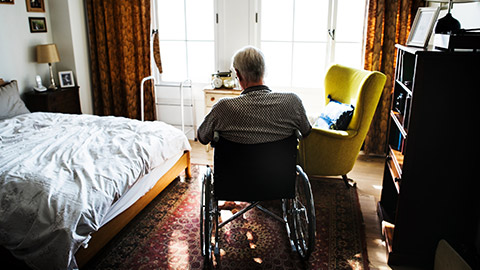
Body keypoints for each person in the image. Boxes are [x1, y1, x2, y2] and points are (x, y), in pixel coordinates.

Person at [197, 46, 311, 145]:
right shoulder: (292, 102)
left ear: (238, 74)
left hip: (236, 170)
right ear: (264, 71)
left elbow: (202, 137)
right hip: (279, 170)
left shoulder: (223, 107)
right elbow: (306, 131)